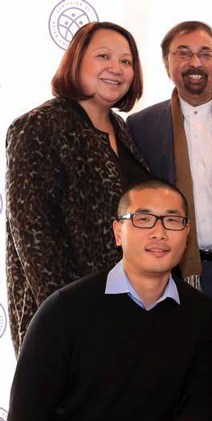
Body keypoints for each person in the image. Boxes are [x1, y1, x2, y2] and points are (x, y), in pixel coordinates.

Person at [2, 179, 212, 421]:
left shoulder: (201, 313)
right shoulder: (66, 309)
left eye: (172, 220)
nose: (159, 232)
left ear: (186, 235)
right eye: (143, 219)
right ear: (117, 233)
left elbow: (208, 399)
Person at [6, 21, 150, 353]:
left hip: (126, 310)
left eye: (126, 61)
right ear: (76, 61)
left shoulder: (121, 129)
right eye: (104, 56)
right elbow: (34, 237)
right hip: (67, 323)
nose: (116, 68)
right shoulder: (40, 125)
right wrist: (70, 318)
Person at [127, 21, 212, 310]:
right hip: (170, 275)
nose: (195, 62)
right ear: (166, 63)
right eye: (183, 53)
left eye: (206, 53)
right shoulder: (140, 127)